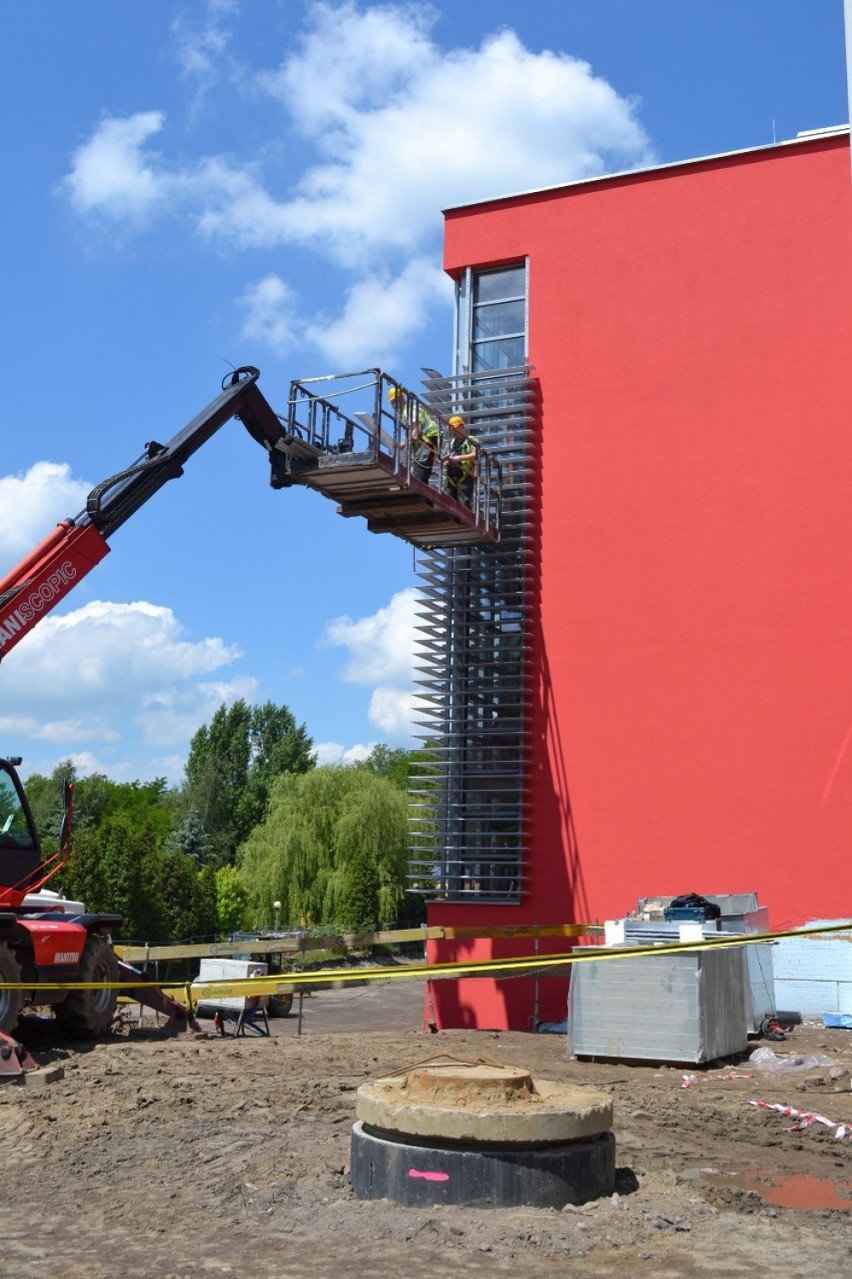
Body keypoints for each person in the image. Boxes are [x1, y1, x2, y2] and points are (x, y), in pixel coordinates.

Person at [387, 385, 439, 483]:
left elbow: (416, 428)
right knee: (419, 471)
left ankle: (419, 491)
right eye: (392, 403)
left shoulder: (408, 410)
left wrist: (409, 441)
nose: (394, 405)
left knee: (418, 471)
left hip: (427, 440)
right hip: (426, 441)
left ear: (402, 398)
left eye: (395, 401)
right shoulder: (404, 412)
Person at [443, 414, 479, 508]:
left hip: (465, 476)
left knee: (464, 502)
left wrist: (459, 458)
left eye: (454, 428)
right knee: (447, 500)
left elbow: (476, 455)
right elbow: (444, 458)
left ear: (462, 426)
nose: (453, 431)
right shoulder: (451, 444)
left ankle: (464, 521)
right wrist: (446, 462)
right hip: (451, 477)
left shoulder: (471, 440)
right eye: (451, 429)